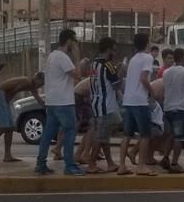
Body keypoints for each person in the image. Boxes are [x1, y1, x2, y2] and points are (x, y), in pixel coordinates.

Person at [36, 29, 85, 176]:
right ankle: (69, 165)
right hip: (63, 101)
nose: (75, 45)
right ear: (69, 41)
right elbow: (77, 75)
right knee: (70, 130)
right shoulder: (63, 57)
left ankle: (41, 163)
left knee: (48, 132)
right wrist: (77, 57)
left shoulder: (52, 56)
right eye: (74, 41)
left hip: (52, 101)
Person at [0, 71, 42, 163]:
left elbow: (38, 98)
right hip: (0, 95)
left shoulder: (32, 86)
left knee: (10, 127)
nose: (40, 86)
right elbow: (13, 91)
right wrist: (5, 102)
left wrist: (46, 106)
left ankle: (7, 155)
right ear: (37, 79)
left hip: (4, 97)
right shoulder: (27, 82)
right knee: (3, 127)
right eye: (41, 83)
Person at [120, 33, 157, 176]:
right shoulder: (147, 58)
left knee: (127, 134)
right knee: (145, 134)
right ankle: (141, 166)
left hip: (128, 100)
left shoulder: (133, 59)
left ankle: (122, 165)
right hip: (139, 101)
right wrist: (152, 92)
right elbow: (143, 78)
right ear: (147, 43)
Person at [86, 37, 125, 174]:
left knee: (104, 136)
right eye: (114, 49)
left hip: (96, 104)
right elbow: (117, 84)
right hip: (106, 105)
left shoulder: (94, 64)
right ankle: (91, 163)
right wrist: (120, 70)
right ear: (109, 49)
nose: (115, 52)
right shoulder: (108, 65)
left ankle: (110, 163)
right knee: (101, 137)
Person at [160, 48, 184, 174]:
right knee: (179, 138)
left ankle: (165, 158)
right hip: (179, 109)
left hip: (168, 108)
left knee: (170, 136)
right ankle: (174, 163)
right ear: (182, 57)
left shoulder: (167, 72)